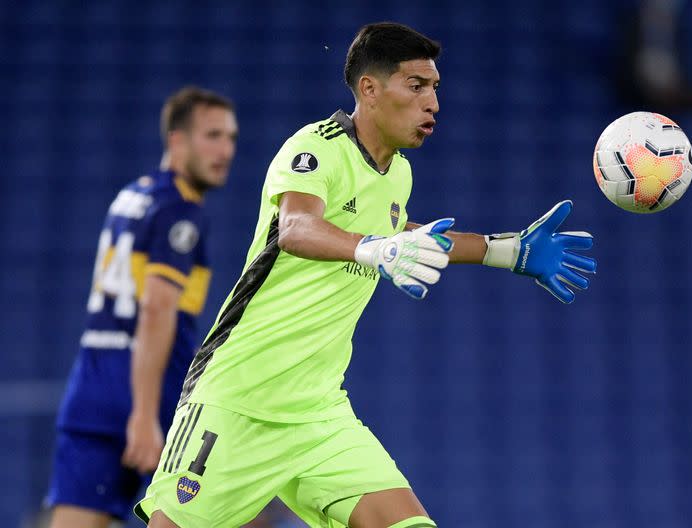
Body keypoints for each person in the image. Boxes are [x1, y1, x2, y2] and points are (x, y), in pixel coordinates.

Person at [135, 22, 596, 528]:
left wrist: (503, 251)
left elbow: (402, 233)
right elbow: (295, 226)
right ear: (369, 90)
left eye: (435, 88)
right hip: (237, 399)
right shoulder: (317, 145)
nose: (433, 104)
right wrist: (376, 249)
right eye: (417, 86)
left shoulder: (398, 172)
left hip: (318, 415)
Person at [45, 86, 238, 528]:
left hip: (92, 391)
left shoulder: (133, 195)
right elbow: (156, 308)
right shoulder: (180, 212)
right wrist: (145, 413)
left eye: (230, 138)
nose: (225, 150)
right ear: (177, 141)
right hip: (156, 399)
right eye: (212, 136)